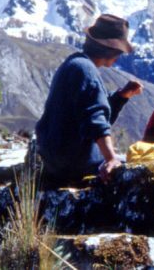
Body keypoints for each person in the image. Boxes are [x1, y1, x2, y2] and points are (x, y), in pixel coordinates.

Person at [34, 13, 143, 187]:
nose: (119, 57)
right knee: (139, 170)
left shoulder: (74, 63)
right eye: (119, 52)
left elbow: (89, 112)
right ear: (111, 50)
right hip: (73, 162)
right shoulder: (86, 71)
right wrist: (111, 159)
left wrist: (121, 97)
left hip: (54, 159)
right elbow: (95, 119)